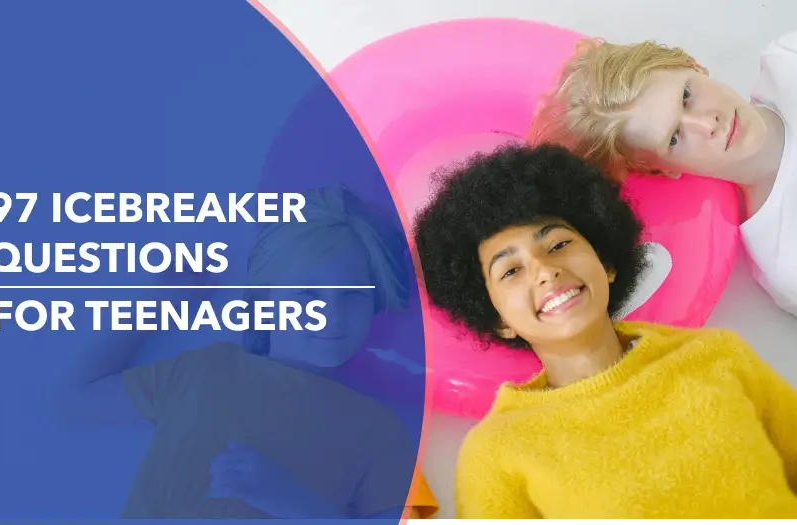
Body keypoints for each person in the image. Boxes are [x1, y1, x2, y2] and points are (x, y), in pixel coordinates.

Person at [411, 143, 797, 520]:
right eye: (511, 271)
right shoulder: (496, 454)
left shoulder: (718, 356)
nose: (546, 271)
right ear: (498, 319)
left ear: (607, 263)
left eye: (558, 244)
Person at [55, 185, 437, 520]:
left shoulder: (378, 429)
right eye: (307, 294)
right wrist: (157, 304)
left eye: (354, 295)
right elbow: (73, 399)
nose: (331, 315)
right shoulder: (203, 370)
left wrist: (299, 506)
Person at [527, 31, 797, 317]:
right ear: (662, 169)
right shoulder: (786, 258)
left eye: (686, 96)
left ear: (691, 64)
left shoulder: (786, 58)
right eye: (674, 138)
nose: (708, 124)